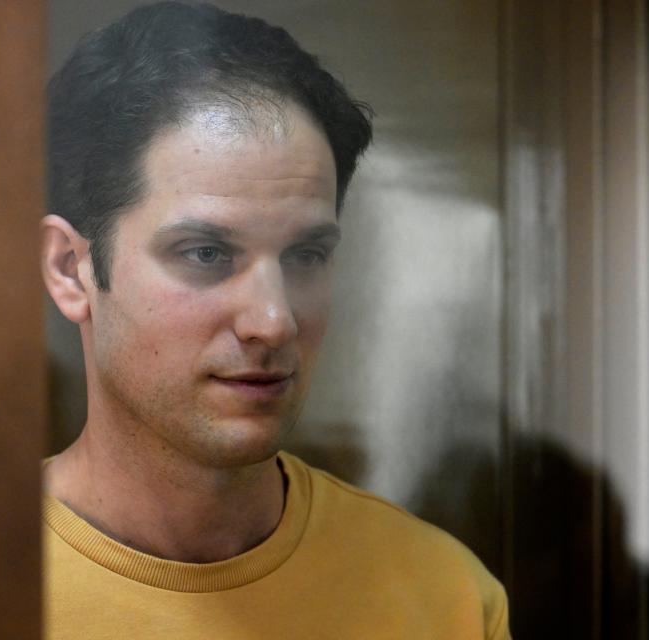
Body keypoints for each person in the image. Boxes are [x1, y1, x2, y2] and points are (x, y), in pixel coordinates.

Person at [40, 2, 510, 638]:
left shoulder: (442, 597)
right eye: (206, 253)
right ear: (71, 271)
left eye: (306, 254)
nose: (274, 321)